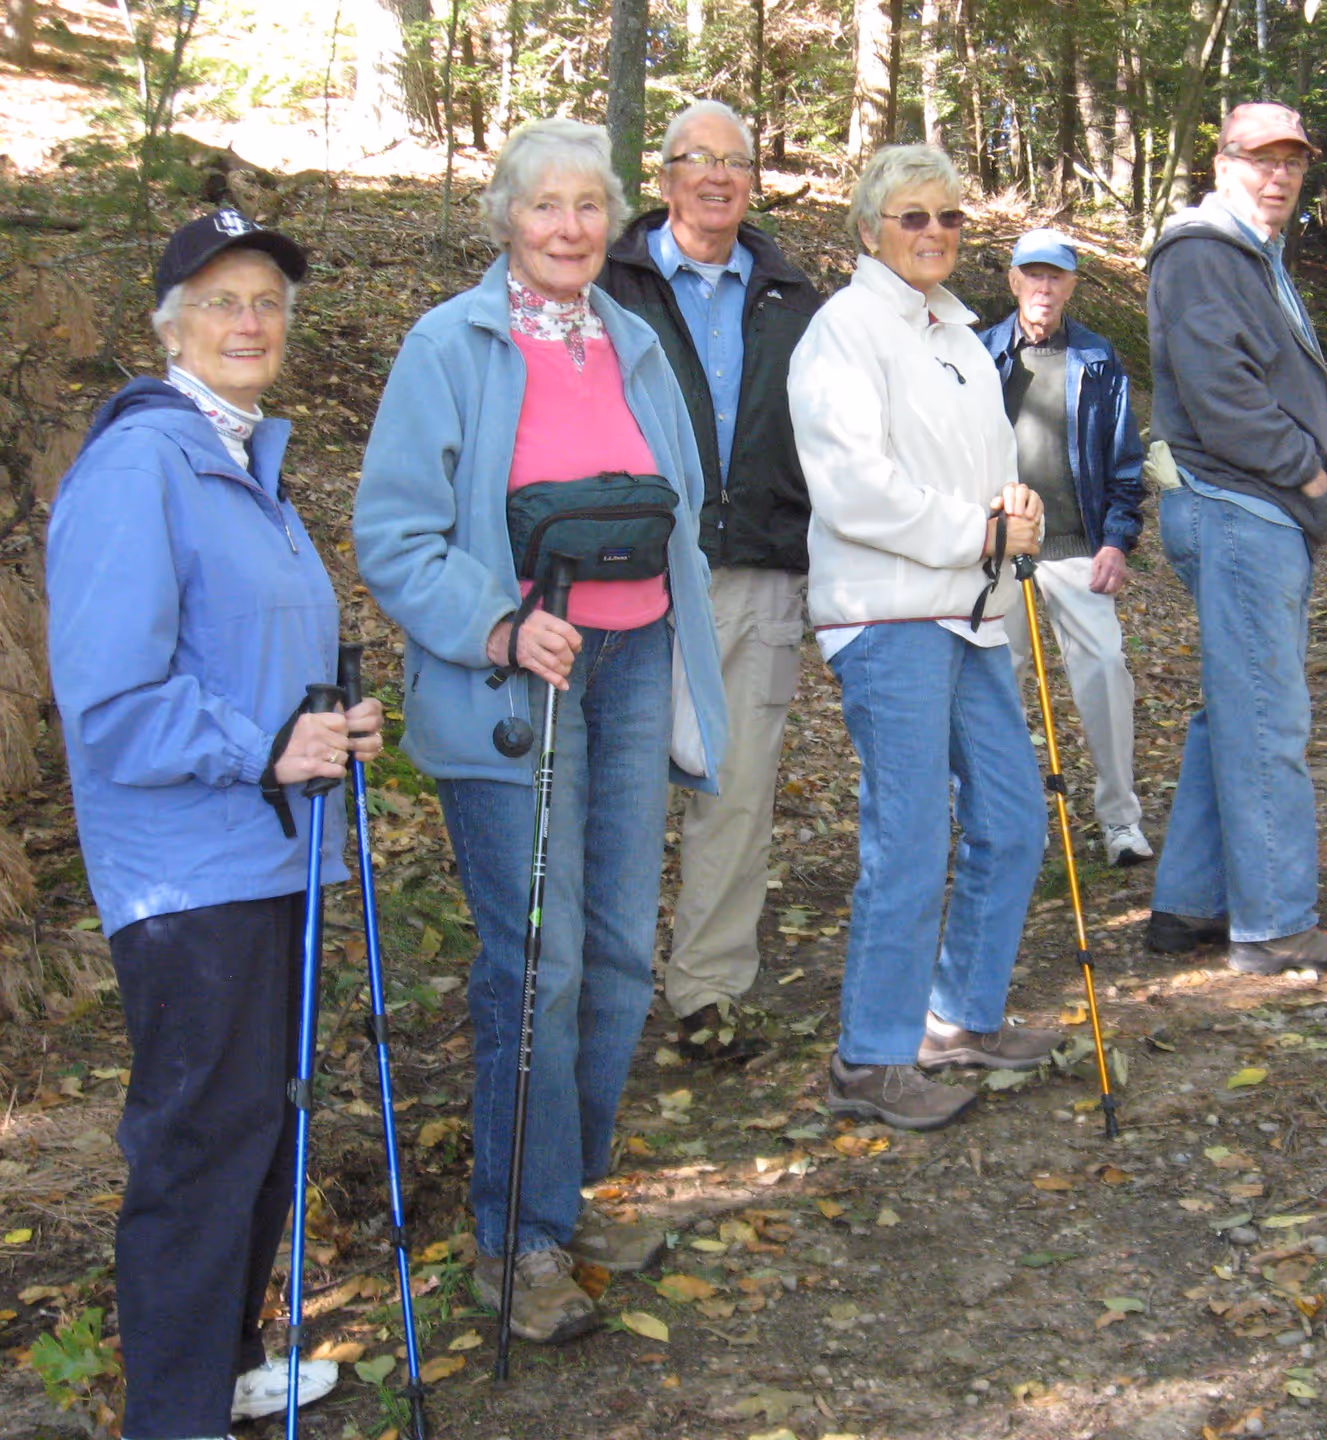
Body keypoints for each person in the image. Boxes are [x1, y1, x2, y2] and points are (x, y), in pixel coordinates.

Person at [354, 118, 727, 1343]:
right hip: (517, 686)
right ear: (506, 220)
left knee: (620, 948)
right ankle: (514, 1234)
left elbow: (682, 508)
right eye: (543, 207)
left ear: (614, 219)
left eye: (588, 207)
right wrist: (501, 627)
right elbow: (395, 535)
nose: (569, 228)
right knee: (541, 961)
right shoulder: (449, 346)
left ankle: (564, 1200)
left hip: (634, 665)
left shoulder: (633, 342)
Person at [46, 210, 379, 1440]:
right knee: (198, 1148)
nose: (250, 321)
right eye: (222, 300)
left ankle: (225, 1373)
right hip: (187, 876)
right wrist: (265, 746)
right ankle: (173, 1417)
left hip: (268, 855)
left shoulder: (241, 464)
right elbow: (112, 699)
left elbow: (244, 670)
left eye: (269, 302)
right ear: (171, 324)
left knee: (259, 1127)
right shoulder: (144, 464)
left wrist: (334, 723)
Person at [788, 144, 1062, 1131]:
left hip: (968, 612)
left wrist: (1010, 499)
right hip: (888, 614)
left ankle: (960, 1017)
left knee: (1012, 816)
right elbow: (856, 488)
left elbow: (973, 464)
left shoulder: (953, 331)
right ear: (870, 229)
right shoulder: (844, 333)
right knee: (907, 840)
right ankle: (869, 1058)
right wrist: (980, 531)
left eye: (949, 217)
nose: (936, 232)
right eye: (914, 217)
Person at [599, 100, 823, 1063]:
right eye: (698, 159)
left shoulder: (792, 295)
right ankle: (601, 994)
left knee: (734, 795)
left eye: (736, 161)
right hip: (633, 577)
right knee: (618, 787)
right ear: (665, 177)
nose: (718, 177)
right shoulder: (608, 282)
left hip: (756, 573)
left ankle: (709, 991)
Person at [1141, 103, 1327, 977]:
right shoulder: (1203, 253)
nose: (1277, 177)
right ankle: (1274, 925)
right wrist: (1309, 474)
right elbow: (1222, 395)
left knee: (1230, 711)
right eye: (1259, 160)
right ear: (1223, 161)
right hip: (1241, 508)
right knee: (1268, 717)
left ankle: (1190, 903)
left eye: (1292, 164)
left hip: (1248, 512)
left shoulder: (1247, 255)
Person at [978, 228, 1153, 869]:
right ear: (1014, 280)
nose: (1044, 288)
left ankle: (1120, 821)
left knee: (1105, 672)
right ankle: (1017, 822)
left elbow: (1125, 461)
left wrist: (1117, 542)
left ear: (1072, 285)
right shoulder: (979, 355)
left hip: (1078, 548)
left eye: (1056, 277)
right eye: (1033, 274)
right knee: (998, 687)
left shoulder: (1098, 359)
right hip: (1000, 551)